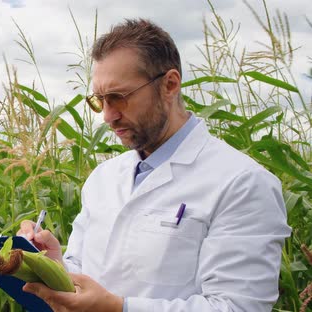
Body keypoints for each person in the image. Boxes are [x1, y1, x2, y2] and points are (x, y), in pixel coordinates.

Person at [18, 19, 291, 311]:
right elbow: (88, 276)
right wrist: (54, 265)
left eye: (118, 98)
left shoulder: (242, 183)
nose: (108, 117)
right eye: (99, 101)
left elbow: (237, 307)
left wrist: (118, 308)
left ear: (169, 85)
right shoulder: (103, 178)